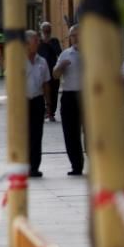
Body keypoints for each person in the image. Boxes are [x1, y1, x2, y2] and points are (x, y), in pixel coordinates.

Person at [52, 24, 84, 176]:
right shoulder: (65, 54)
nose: (75, 38)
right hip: (69, 96)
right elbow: (55, 75)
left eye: (78, 35)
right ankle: (76, 165)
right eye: (73, 35)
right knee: (71, 133)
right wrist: (61, 67)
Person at [25, 30, 52, 178]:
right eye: (35, 40)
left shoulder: (42, 61)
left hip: (37, 101)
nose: (38, 43)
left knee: (37, 134)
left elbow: (46, 83)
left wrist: (48, 104)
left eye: (38, 40)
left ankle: (34, 167)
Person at [38, 22, 63, 122]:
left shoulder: (54, 41)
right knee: (41, 92)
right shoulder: (38, 41)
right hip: (41, 71)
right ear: (42, 31)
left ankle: (51, 113)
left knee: (54, 91)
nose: (47, 32)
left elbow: (59, 52)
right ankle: (44, 112)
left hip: (53, 70)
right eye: (45, 30)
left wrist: (50, 44)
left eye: (48, 30)